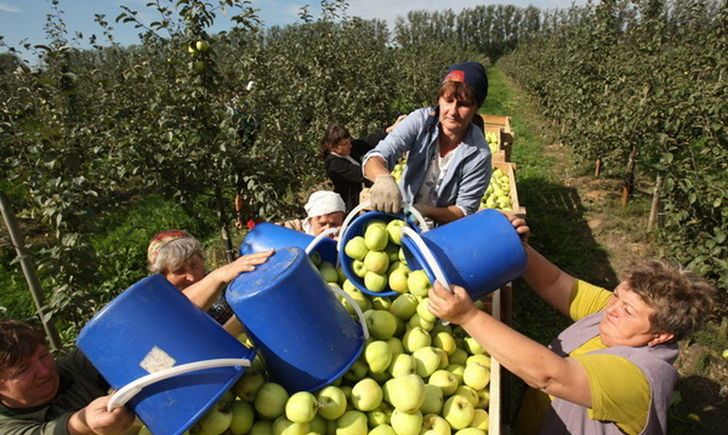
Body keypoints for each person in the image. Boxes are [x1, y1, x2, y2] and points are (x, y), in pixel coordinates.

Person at [427, 215, 717, 435]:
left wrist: (468, 316)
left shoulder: (639, 380)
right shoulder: (614, 312)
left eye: (627, 310)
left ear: (661, 335)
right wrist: (518, 249)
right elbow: (555, 283)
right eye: (617, 295)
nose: (612, 309)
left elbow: (551, 377)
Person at [363, 61, 492, 225]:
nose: (452, 111)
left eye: (463, 104)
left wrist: (425, 211)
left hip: (441, 233)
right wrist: (383, 177)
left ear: (476, 108)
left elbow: (463, 211)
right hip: (399, 221)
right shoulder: (420, 122)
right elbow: (375, 157)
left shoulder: (479, 155)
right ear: (439, 98)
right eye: (448, 100)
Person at [0, 319, 136, 435]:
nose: (45, 371)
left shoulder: (74, 367)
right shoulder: (5, 426)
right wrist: (85, 422)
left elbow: (122, 346)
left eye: (43, 356)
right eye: (23, 369)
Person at [146, 230, 272, 333]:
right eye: (178, 271)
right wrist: (217, 277)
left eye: (194, 265)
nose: (191, 277)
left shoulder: (226, 284)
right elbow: (179, 314)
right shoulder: (160, 310)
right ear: (163, 277)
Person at [320, 118, 407, 213]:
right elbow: (362, 173)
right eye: (345, 144)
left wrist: (390, 130)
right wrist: (381, 168)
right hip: (353, 207)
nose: (350, 145)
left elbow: (368, 141)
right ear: (332, 147)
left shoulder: (349, 150)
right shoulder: (334, 165)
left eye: (349, 141)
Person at [283, 190, 347, 237]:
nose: (328, 229)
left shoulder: (346, 236)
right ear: (310, 221)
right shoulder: (296, 230)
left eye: (334, 224)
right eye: (322, 224)